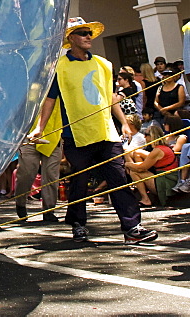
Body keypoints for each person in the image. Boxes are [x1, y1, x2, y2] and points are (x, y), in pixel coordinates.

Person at [29, 18, 157, 244]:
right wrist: (40, 127)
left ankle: (132, 227)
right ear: (71, 39)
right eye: (82, 33)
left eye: (89, 33)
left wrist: (124, 123)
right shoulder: (59, 67)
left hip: (106, 133)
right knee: (79, 182)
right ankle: (78, 224)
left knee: (119, 179)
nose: (88, 36)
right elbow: (50, 99)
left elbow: (109, 97)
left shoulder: (103, 64)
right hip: (76, 135)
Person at [14, 126, 62, 223]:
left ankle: (49, 210)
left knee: (51, 175)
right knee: (25, 174)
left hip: (53, 136)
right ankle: (20, 203)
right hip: (29, 136)